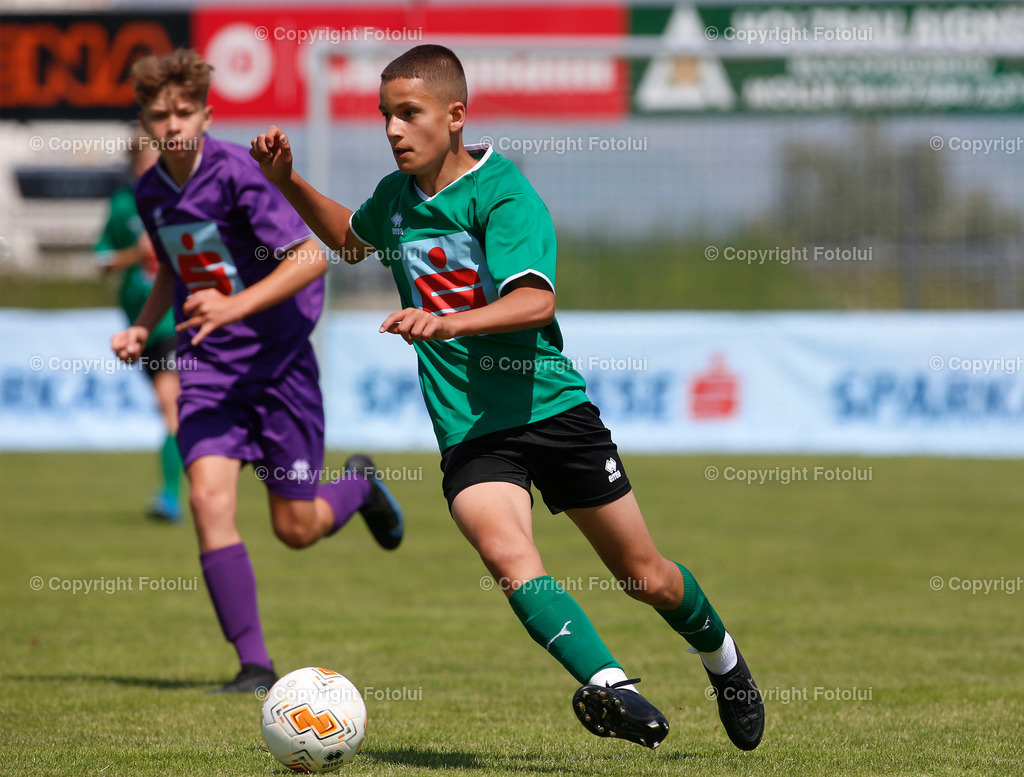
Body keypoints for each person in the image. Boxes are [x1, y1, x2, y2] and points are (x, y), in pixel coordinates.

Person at [250, 44, 763, 749]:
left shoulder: (503, 192)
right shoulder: (394, 201)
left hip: (550, 409)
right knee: (508, 557)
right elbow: (348, 239)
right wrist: (287, 181)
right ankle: (610, 685)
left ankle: (724, 661)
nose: (394, 130)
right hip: (471, 430)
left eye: (410, 114)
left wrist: (449, 320)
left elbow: (533, 300)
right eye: (384, 117)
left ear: (455, 116)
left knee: (645, 577)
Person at [110, 48, 404, 693]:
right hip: (209, 368)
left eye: (184, 110)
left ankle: (358, 485)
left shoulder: (239, 173)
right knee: (207, 500)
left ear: (207, 114)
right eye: (159, 115)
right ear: (146, 122)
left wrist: (235, 305)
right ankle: (253, 665)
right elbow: (172, 264)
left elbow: (312, 255)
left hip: (279, 367)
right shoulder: (150, 189)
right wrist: (144, 325)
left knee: (295, 530)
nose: (172, 124)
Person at [95, 129, 183, 523]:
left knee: (172, 407)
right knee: (175, 410)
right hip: (141, 326)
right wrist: (136, 253)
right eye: (144, 162)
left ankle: (171, 496)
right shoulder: (123, 205)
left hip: (175, 322)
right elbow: (102, 261)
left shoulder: (180, 198)